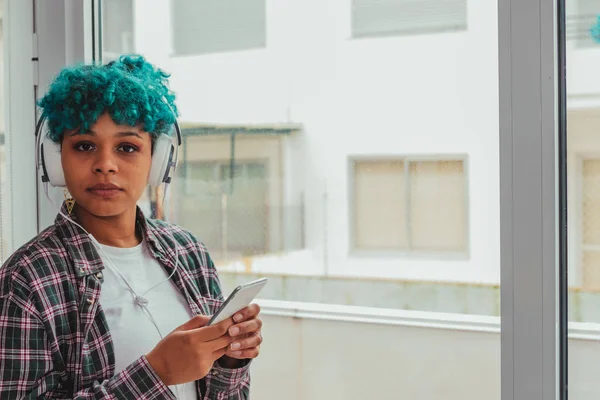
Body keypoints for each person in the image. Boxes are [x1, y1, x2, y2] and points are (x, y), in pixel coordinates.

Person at [0, 55, 262, 399]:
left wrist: (229, 360)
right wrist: (156, 373)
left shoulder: (189, 252)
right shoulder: (27, 279)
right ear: (55, 159)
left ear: (158, 160)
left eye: (127, 147)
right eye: (84, 145)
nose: (105, 165)